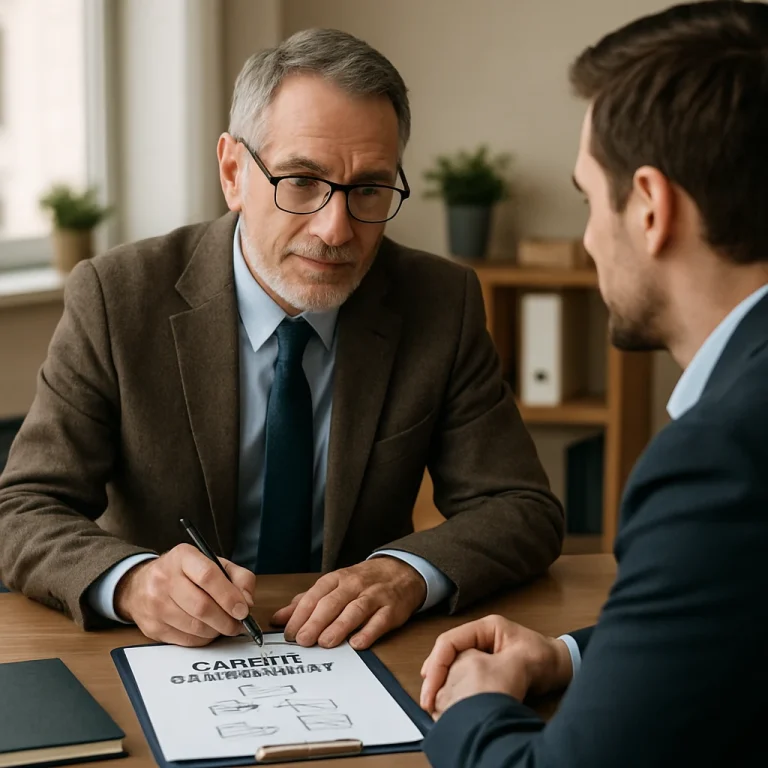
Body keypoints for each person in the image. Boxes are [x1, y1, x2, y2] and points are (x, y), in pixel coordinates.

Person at [0, 29, 563, 650]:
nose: (335, 229)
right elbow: (23, 509)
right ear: (234, 172)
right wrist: (132, 582)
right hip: (164, 655)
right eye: (301, 180)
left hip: (354, 653)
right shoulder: (117, 297)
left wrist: (406, 574)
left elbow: (521, 508)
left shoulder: (440, 302)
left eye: (370, 189)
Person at [419, 2, 768, 766]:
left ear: (649, 206)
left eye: (586, 198)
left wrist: (473, 705)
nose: (585, 238)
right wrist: (569, 657)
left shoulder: (718, 458)